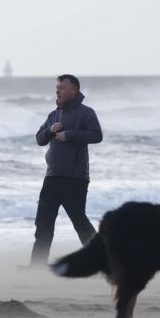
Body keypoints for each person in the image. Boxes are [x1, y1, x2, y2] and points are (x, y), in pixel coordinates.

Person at [30, 74, 103, 267]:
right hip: (52, 176)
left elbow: (97, 136)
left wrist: (69, 134)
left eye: (62, 88)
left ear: (74, 91)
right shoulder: (53, 115)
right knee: (43, 223)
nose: (58, 91)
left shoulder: (86, 113)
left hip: (75, 178)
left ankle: (101, 260)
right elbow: (39, 139)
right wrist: (50, 130)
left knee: (80, 222)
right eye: (57, 88)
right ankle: (37, 266)